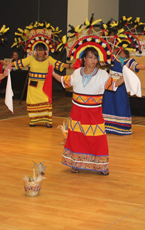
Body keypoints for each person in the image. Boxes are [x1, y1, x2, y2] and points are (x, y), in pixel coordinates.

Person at [52, 47, 124, 175]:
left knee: (98, 138)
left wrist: (126, 76)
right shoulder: (77, 72)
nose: (93, 60)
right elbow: (64, 81)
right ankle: (75, 164)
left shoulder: (102, 74)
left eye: (95, 57)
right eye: (90, 57)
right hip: (77, 112)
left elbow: (114, 84)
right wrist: (52, 73)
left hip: (94, 112)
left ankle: (101, 165)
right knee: (76, 138)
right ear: (84, 59)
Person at [12, 42, 71, 127]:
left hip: (44, 86)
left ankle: (48, 121)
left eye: (42, 50)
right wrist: (9, 64)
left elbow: (59, 64)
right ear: (35, 51)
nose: (40, 52)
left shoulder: (49, 59)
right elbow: (20, 62)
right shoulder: (31, 58)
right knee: (32, 102)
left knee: (46, 102)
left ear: (45, 51)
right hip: (33, 86)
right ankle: (33, 120)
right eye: (38, 50)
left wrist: (70, 66)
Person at [103, 49, 145, 135]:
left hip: (121, 85)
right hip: (110, 84)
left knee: (121, 104)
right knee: (108, 103)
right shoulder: (112, 57)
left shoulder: (129, 61)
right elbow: (102, 62)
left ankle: (122, 127)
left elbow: (137, 66)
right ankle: (107, 126)